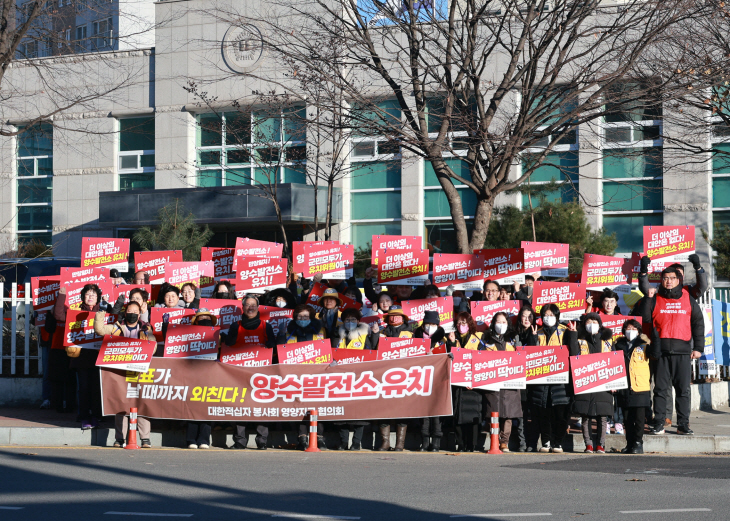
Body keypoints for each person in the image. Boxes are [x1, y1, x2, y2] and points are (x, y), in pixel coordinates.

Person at [641, 265, 704, 435]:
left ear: (678, 280)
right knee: (660, 390)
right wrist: (648, 297)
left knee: (683, 390)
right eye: (665, 278)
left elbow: (698, 323)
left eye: (672, 278)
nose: (668, 281)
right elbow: (646, 317)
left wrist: (698, 348)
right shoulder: (656, 297)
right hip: (660, 351)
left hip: (682, 351)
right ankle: (659, 422)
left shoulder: (687, 297)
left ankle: (683, 425)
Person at [93, 300, 157, 448]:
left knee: (142, 404)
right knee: (120, 405)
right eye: (130, 311)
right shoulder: (116, 327)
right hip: (120, 373)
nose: (133, 314)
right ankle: (119, 438)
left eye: (136, 312)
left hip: (139, 372)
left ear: (139, 314)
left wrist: (149, 344)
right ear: (125, 312)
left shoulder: (145, 329)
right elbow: (100, 330)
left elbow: (152, 345)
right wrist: (101, 312)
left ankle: (145, 438)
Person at [224, 295, 277, 450]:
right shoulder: (236, 325)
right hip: (240, 375)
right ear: (243, 307)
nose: (251, 307)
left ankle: (262, 441)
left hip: (261, 376)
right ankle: (240, 441)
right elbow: (229, 346)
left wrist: (270, 344)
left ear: (258, 307)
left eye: (253, 305)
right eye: (247, 305)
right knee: (240, 408)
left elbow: (272, 347)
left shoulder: (265, 326)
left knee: (261, 408)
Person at [276, 304, 328, 450]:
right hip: (295, 377)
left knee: (318, 407)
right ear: (295, 318)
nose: (303, 319)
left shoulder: (321, 331)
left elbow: (326, 351)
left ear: (311, 318)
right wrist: (280, 335)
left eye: (306, 317)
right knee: (298, 407)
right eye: (300, 317)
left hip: (315, 375)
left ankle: (319, 437)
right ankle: (302, 437)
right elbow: (280, 351)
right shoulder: (288, 333)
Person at [54, 284, 103, 430]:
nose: (90, 297)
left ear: (98, 298)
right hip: (81, 358)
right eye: (87, 294)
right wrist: (61, 296)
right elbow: (58, 315)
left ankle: (96, 415)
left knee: (96, 388)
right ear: (82, 297)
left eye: (93, 295)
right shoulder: (75, 312)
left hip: (98, 357)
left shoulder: (103, 312)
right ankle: (83, 415)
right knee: (83, 388)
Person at [527, 304, 572, 453]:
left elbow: (574, 353)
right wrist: (532, 338)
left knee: (560, 414)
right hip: (542, 381)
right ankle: (545, 441)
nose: (548, 318)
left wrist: (573, 335)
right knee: (543, 414)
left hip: (560, 381)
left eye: (552, 315)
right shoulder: (537, 332)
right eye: (546, 315)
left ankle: (557, 442)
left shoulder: (566, 331)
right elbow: (530, 356)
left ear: (558, 317)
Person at [567, 313, 614, 454]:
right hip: (585, 380)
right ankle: (588, 444)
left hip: (603, 381)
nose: (592, 324)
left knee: (602, 415)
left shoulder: (608, 341)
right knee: (585, 415)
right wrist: (574, 335)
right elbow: (574, 355)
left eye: (595, 321)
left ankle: (601, 444)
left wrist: (614, 382)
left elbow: (615, 360)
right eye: (589, 321)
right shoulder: (580, 339)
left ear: (600, 325)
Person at [372, 305, 416, 451]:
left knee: (402, 409)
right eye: (391, 315)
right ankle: (385, 442)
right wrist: (374, 335)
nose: (394, 318)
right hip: (384, 376)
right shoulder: (382, 332)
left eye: (397, 315)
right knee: (383, 409)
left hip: (405, 376)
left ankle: (400, 443)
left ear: (403, 318)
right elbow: (372, 350)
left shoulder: (411, 333)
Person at [333, 308, 374, 450]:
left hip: (359, 377)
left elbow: (373, 349)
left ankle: (357, 442)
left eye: (353, 319)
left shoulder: (365, 334)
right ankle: (343, 441)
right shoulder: (337, 334)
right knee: (341, 412)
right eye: (347, 320)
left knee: (359, 412)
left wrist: (375, 334)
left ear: (358, 321)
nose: (350, 322)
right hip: (340, 377)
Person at [483, 312, 523, 453]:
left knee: (508, 414)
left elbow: (521, 357)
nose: (501, 325)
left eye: (504, 322)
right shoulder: (486, 340)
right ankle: (494, 439)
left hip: (510, 383)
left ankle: (504, 442)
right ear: (493, 324)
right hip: (493, 383)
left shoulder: (513, 339)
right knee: (494, 413)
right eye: (498, 322)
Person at [445, 312, 485, 451]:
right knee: (458, 415)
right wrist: (450, 342)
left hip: (473, 385)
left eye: (464, 323)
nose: (461, 326)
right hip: (457, 385)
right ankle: (460, 443)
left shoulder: (478, 338)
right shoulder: (452, 338)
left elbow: (483, 360)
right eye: (458, 323)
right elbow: (446, 358)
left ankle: (472, 444)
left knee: (473, 414)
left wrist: (473, 380)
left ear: (469, 324)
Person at [614, 319, 651, 454]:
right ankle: (629, 443)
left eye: (634, 329)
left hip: (640, 386)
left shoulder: (644, 345)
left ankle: (638, 443)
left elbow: (656, 354)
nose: (631, 331)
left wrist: (655, 336)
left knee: (639, 418)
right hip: (624, 387)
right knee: (627, 418)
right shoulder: (618, 345)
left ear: (639, 331)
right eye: (628, 328)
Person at [414, 310, 447, 451]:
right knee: (424, 411)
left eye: (433, 324)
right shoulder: (416, 338)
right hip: (421, 378)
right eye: (428, 324)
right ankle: (425, 441)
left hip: (439, 379)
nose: (430, 326)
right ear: (423, 325)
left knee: (437, 411)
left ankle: (436, 442)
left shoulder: (444, 339)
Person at [185, 310, 217, 449]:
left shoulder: (217, 334)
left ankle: (204, 439)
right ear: (196, 321)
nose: (204, 319)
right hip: (192, 373)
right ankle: (191, 439)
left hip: (210, 373)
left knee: (206, 406)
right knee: (192, 406)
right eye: (201, 318)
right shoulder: (188, 335)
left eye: (207, 317)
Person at [638, 254, 708, 300]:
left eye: (679, 275)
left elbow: (702, 287)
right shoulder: (659, 291)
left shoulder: (688, 292)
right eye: (673, 276)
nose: (677, 278)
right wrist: (643, 271)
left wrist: (698, 268)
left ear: (683, 277)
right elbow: (645, 288)